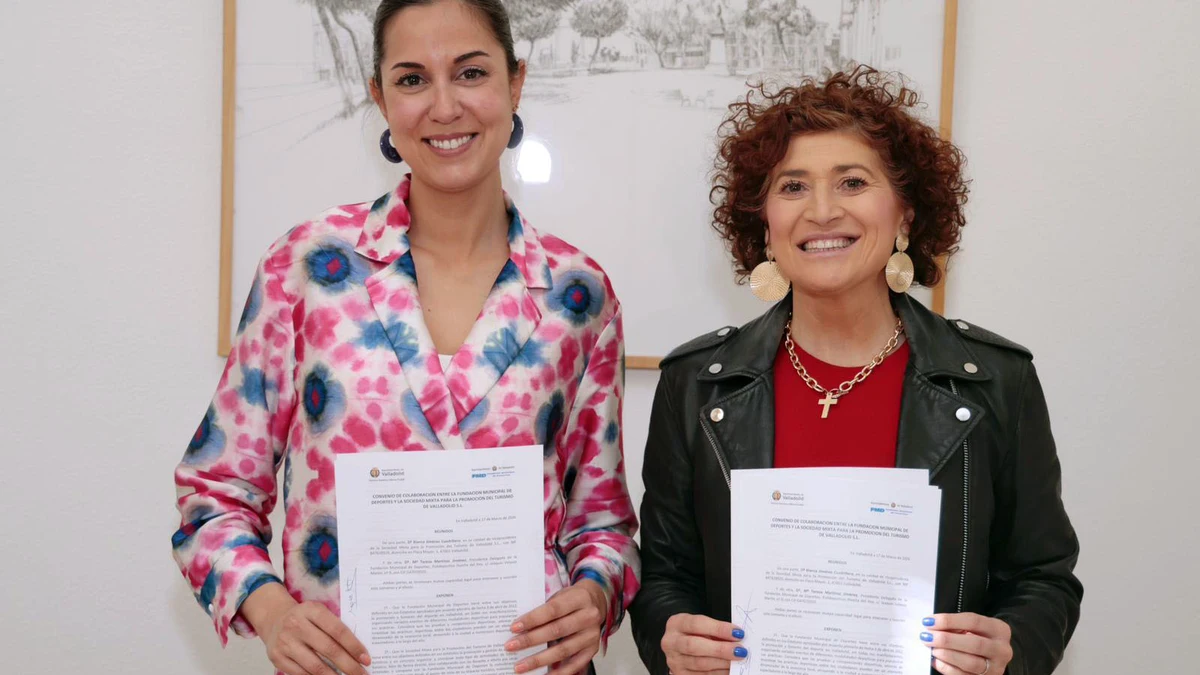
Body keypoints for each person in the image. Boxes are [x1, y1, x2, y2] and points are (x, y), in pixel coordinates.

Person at [170, 2, 639, 674]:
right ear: (380, 98)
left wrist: (594, 595)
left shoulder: (578, 293)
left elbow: (603, 526)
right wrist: (271, 612)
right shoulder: (307, 267)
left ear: (515, 82)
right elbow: (214, 495)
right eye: (413, 79)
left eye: (471, 73)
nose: (444, 106)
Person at [629, 68, 1082, 675]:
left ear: (905, 214)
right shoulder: (695, 384)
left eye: (852, 182)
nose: (821, 210)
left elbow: (1044, 579)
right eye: (793, 186)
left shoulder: (996, 380)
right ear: (764, 223)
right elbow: (665, 579)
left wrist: (1011, 647)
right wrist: (672, 638)